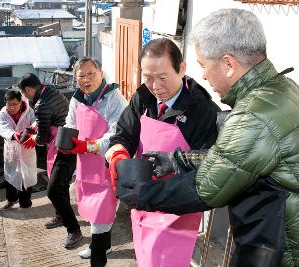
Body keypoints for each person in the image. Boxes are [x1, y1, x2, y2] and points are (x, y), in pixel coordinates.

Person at [117, 9, 299, 267]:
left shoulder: (252, 115)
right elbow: (236, 157)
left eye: (204, 65)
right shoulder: (282, 88)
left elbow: (207, 188)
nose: (203, 75)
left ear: (228, 64)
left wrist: (144, 195)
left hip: (280, 247)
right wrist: (178, 160)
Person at [106, 38, 219, 267]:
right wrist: (118, 154)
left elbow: (207, 165)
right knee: (146, 257)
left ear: (182, 68)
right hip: (142, 200)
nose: (155, 86)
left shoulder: (202, 110)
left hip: (178, 209)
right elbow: (124, 135)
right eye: (148, 78)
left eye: (162, 77)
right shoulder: (143, 98)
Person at [60, 57, 128, 267]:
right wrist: (66, 141)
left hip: (107, 164)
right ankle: (103, 244)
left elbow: (119, 132)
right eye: (81, 76)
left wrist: (88, 146)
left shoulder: (114, 98)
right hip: (85, 166)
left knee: (102, 212)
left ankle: (99, 257)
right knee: (92, 210)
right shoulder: (77, 99)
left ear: (101, 73)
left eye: (91, 74)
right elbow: (71, 123)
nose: (86, 79)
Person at [18, 73, 83, 249]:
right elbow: (47, 121)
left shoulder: (41, 104)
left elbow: (43, 137)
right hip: (67, 141)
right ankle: (61, 215)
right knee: (59, 186)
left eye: (24, 94)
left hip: (65, 146)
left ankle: (74, 230)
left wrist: (33, 139)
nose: (25, 97)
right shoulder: (51, 92)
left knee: (53, 190)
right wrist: (35, 128)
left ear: (29, 89)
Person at [0, 90, 37, 209]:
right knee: (10, 175)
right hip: (12, 148)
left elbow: (36, 122)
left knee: (26, 176)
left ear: (20, 102)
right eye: (9, 104)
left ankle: (25, 202)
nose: (11, 107)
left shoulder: (29, 111)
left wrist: (32, 131)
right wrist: (14, 135)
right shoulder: (3, 113)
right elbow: (3, 128)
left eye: (14, 104)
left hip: (26, 148)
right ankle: (11, 199)